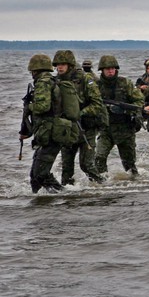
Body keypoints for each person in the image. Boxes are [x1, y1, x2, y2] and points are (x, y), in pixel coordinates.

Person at [53, 49, 106, 185]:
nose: (60, 67)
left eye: (63, 64)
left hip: (86, 128)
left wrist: (80, 113)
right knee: (66, 168)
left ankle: (103, 186)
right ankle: (67, 195)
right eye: (58, 64)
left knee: (86, 165)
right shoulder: (56, 81)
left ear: (70, 65)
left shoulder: (85, 79)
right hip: (67, 129)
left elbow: (97, 104)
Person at [19, 54, 71, 193]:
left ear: (35, 70)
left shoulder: (43, 82)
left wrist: (29, 107)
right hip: (47, 132)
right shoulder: (49, 81)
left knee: (40, 175)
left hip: (51, 133)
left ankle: (64, 195)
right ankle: (40, 205)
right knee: (35, 177)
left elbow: (43, 107)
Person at [95, 55, 145, 178]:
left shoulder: (125, 83)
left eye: (112, 68)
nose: (110, 71)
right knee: (99, 157)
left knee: (129, 164)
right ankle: (103, 182)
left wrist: (125, 110)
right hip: (106, 128)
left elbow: (139, 102)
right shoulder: (96, 86)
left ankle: (135, 183)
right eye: (107, 69)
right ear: (102, 70)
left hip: (125, 128)